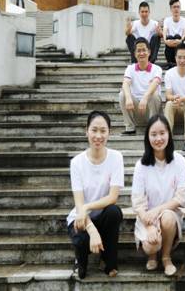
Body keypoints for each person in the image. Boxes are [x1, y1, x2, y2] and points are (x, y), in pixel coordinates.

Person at [66, 111, 124, 279]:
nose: (98, 136)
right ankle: (80, 259)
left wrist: (87, 207)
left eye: (103, 131)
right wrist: (92, 230)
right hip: (80, 219)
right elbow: (79, 205)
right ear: (87, 131)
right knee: (81, 247)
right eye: (94, 130)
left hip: (102, 215)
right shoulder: (77, 163)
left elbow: (112, 197)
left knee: (114, 211)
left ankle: (108, 260)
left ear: (109, 133)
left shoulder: (116, 158)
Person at [131, 115, 185, 276]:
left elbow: (181, 196)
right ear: (147, 137)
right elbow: (138, 202)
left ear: (169, 134)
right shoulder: (141, 165)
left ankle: (166, 257)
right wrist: (149, 225)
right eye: (153, 134)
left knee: (167, 217)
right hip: (146, 217)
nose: (158, 138)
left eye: (162, 133)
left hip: (170, 215)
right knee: (151, 246)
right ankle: (152, 255)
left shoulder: (179, 160)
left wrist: (157, 211)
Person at [119, 38, 162, 135]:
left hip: (151, 110)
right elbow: (125, 83)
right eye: (138, 51)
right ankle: (130, 128)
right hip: (136, 109)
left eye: (144, 50)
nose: (141, 53)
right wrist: (128, 98)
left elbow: (155, 82)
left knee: (154, 95)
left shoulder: (156, 69)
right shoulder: (130, 68)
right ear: (134, 54)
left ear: (149, 52)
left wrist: (145, 98)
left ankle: (152, 127)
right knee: (122, 94)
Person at [163, 0, 185, 70]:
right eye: (174, 7)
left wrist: (180, 40)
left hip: (180, 44)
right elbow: (164, 30)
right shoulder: (167, 20)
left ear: (180, 8)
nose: (176, 9)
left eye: (178, 7)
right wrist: (165, 40)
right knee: (169, 37)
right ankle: (170, 62)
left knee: (177, 36)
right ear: (171, 9)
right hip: (170, 44)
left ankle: (176, 62)